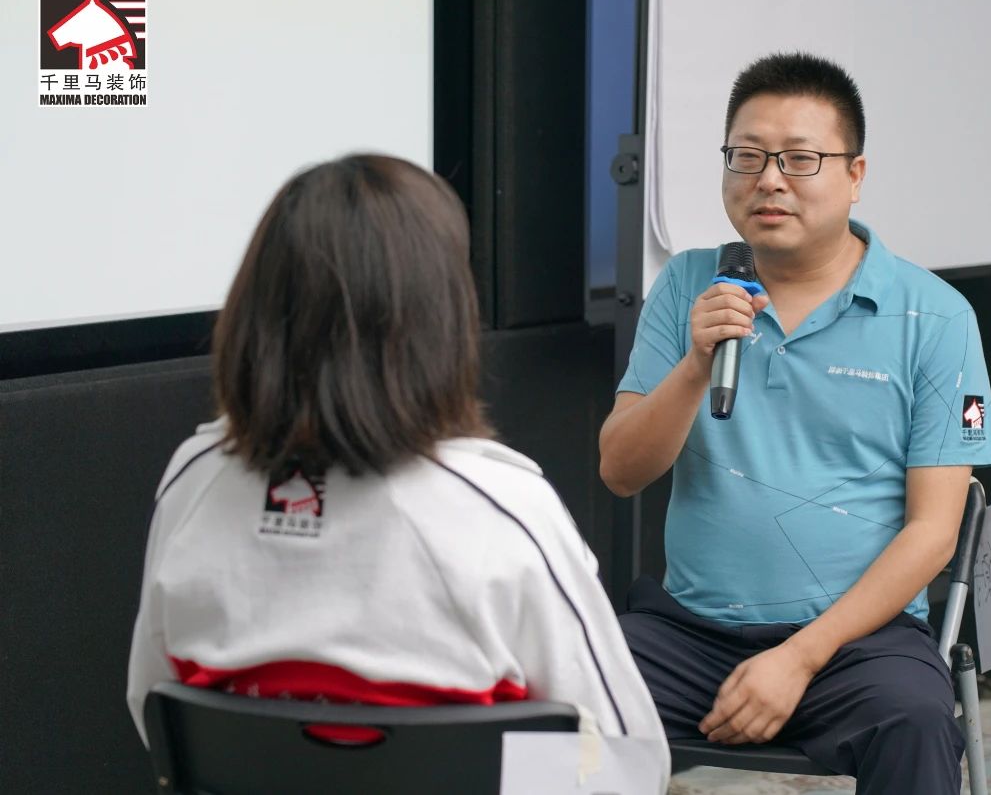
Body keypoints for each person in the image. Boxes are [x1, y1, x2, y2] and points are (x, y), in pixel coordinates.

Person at [127, 155, 668, 786]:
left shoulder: (194, 480)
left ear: (255, 310)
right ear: (440, 319)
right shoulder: (502, 505)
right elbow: (629, 763)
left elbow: (154, 710)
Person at [600, 53, 991, 794]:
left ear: (855, 174)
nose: (769, 179)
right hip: (690, 632)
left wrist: (800, 657)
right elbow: (620, 471)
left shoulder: (936, 317)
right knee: (565, 694)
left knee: (914, 719)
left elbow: (933, 533)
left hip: (859, 643)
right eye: (747, 156)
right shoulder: (687, 285)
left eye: (800, 158)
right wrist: (695, 364)